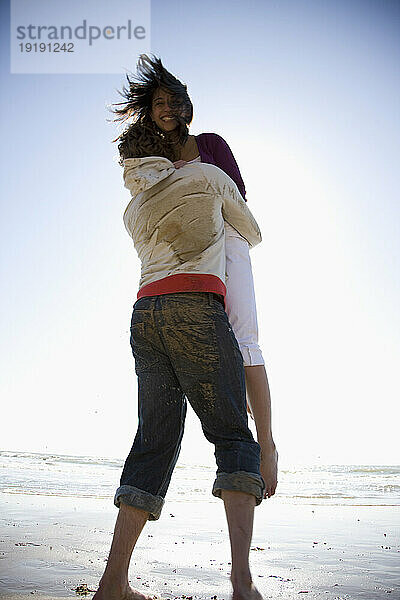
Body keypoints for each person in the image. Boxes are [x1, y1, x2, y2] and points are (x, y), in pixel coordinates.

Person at [93, 55, 276, 600]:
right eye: (160, 102)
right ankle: (243, 585)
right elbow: (245, 223)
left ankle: (113, 583)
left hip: (144, 311)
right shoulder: (204, 177)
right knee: (231, 437)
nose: (170, 110)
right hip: (195, 303)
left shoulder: (150, 184)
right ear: (152, 113)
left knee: (152, 443)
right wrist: (269, 443)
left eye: (176, 100)